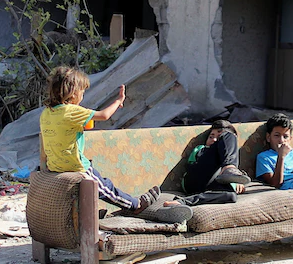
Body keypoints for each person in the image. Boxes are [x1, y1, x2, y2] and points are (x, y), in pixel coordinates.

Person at [39, 65, 191, 223]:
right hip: (76, 165)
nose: (82, 96)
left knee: (98, 185)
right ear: (73, 93)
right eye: (82, 92)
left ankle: (96, 212)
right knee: (105, 188)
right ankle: (135, 204)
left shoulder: (47, 113)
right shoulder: (71, 110)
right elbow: (104, 115)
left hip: (56, 166)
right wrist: (118, 101)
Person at [178, 120, 251, 206]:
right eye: (211, 137)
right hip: (193, 180)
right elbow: (192, 166)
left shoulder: (232, 156)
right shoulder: (201, 149)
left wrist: (235, 181)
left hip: (210, 185)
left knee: (230, 196)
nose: (214, 139)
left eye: (219, 137)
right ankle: (229, 169)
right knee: (229, 136)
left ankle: (180, 202)